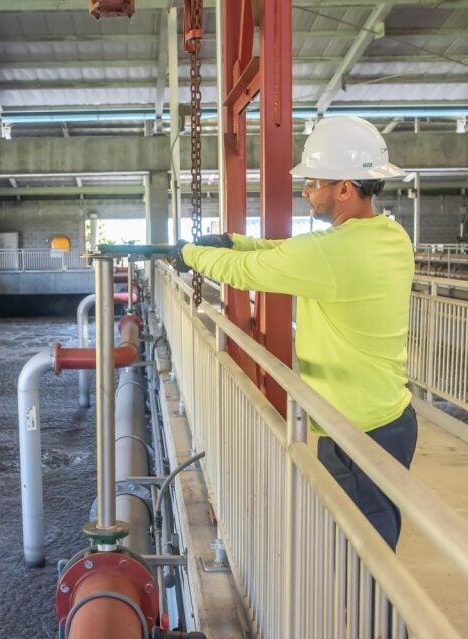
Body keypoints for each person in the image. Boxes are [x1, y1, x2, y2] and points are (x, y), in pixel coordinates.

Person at [173, 115, 417, 551]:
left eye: (312, 183)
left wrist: (191, 254)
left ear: (344, 187)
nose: (305, 192)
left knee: (365, 560)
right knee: (369, 541)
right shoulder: (389, 235)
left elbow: (245, 273)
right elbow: (286, 253)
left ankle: (369, 621)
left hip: (355, 433)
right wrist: (235, 241)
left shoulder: (333, 252)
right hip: (390, 417)